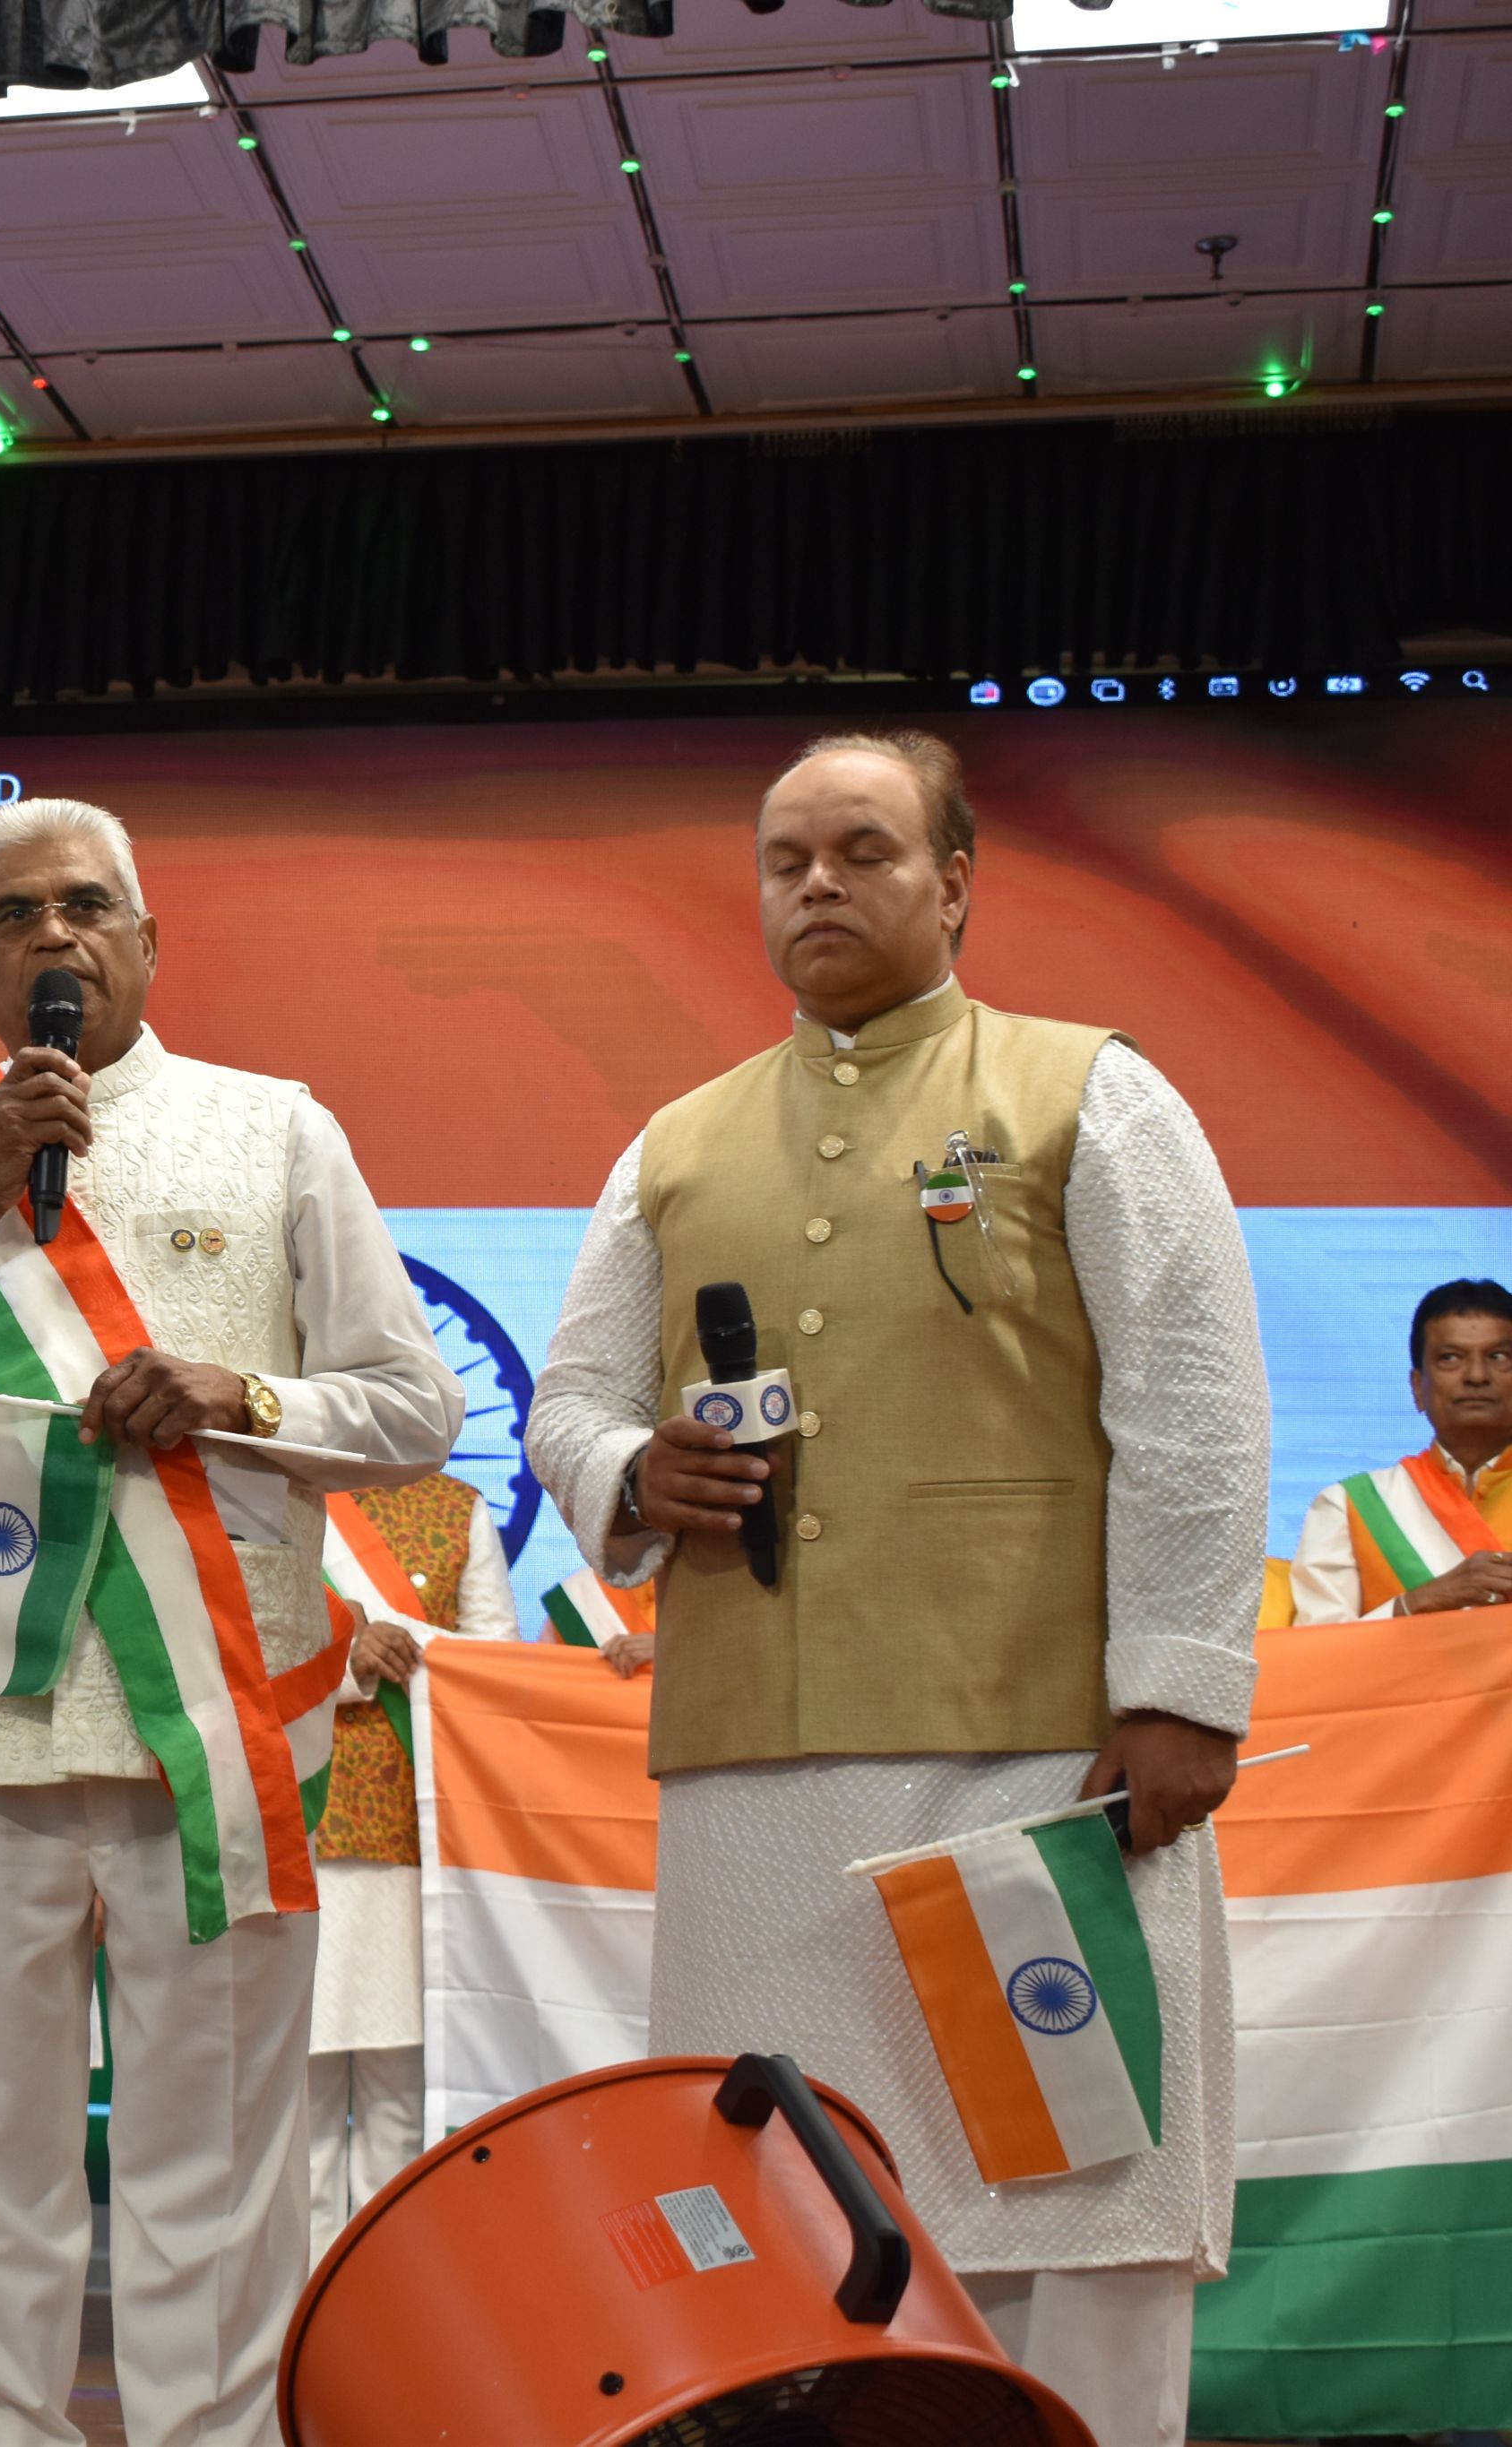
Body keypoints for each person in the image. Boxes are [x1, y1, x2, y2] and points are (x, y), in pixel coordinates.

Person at [526, 731, 1261, 2447]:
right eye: (786, 860)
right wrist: (631, 1473)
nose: (818, 885)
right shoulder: (674, 1144)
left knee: (1074, 2210)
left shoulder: (1090, 1095)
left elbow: (1195, 1399)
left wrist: (1181, 1685)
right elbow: (568, 1404)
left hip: (1035, 1768)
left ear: (955, 882)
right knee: (793, 2228)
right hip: (749, 1793)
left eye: (863, 851)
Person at [0, 799, 459, 2447]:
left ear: (147, 940)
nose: (56, 937)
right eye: (15, 917)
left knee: (213, 2176)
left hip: (217, 1723)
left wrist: (246, 1393)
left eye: (87, 906)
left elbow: (415, 1408)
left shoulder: (276, 1126)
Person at [306, 1474, 516, 2260]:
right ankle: (297, 2306)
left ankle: (376, 2295)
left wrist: (405, 1648)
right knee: (297, 2103)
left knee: (400, 2101)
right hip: (296, 1820)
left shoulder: (457, 1507)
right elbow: (233, 1647)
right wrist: (345, 1660)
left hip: (420, 1830)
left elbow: (496, 1670)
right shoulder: (276, 1490)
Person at [1289, 1277, 1512, 1621]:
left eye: (1498, 1356)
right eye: (1450, 1358)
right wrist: (1415, 1604)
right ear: (1417, 1388)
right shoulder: (1350, 1507)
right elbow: (1317, 1648)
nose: (1477, 1376)